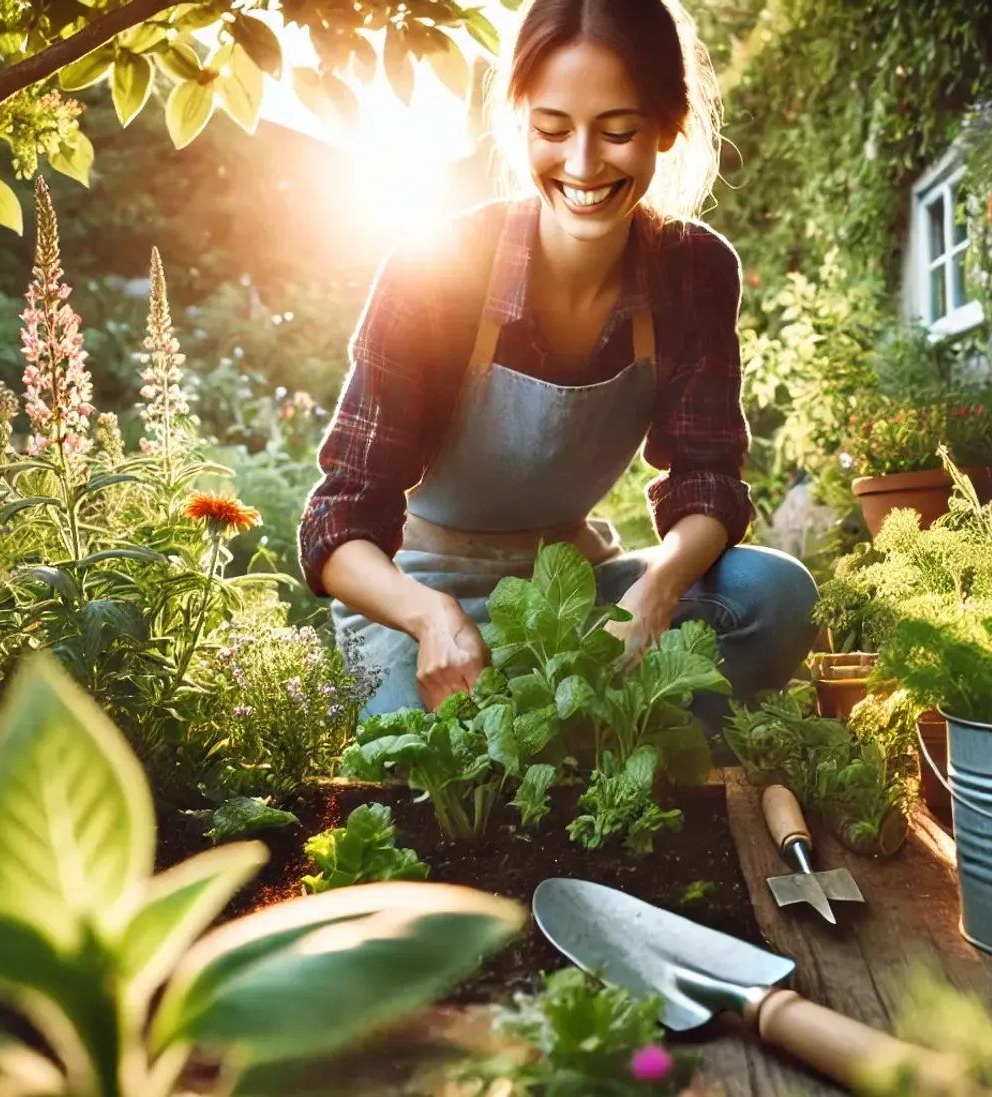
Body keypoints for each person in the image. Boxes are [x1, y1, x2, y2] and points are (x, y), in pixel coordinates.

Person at [299, 0, 818, 727]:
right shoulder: (434, 271)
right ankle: (599, 736)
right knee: (430, 768)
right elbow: (335, 525)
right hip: (420, 602)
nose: (581, 165)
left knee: (777, 596)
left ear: (667, 127)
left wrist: (656, 589)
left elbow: (708, 481)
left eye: (618, 131)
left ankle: (624, 750)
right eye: (551, 129)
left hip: (572, 589)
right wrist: (428, 617)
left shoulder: (694, 270)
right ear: (519, 124)